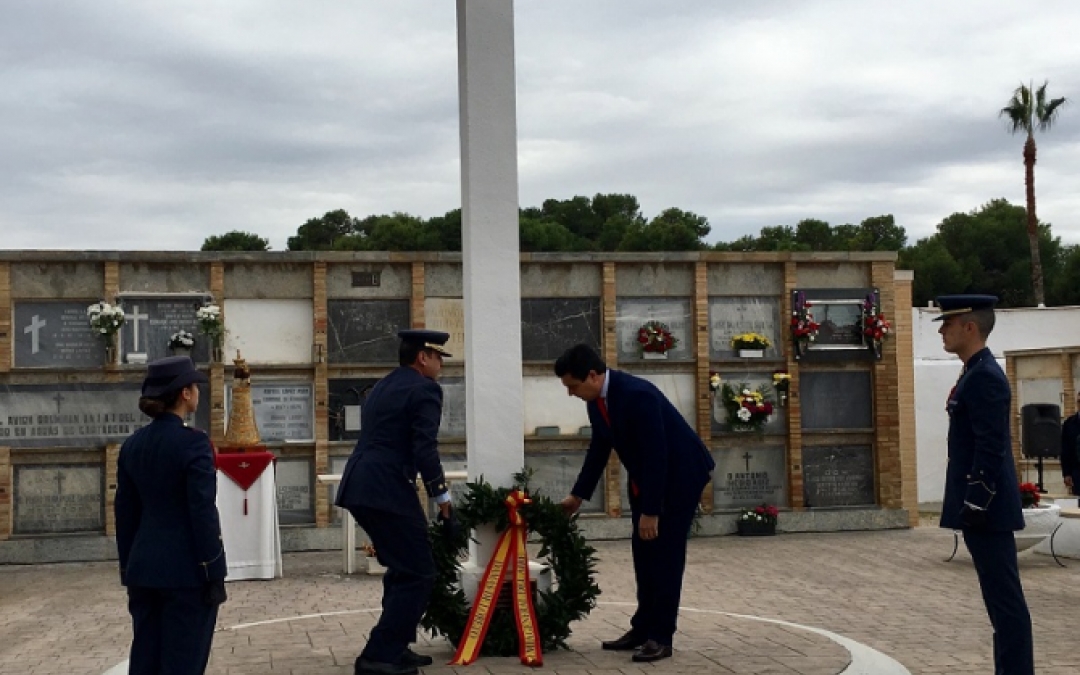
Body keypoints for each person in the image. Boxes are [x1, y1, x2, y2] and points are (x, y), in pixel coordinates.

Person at [553, 343, 714, 663]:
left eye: (573, 386)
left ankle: (661, 637)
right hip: (648, 477)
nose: (571, 394)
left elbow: (657, 454)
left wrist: (651, 511)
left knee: (665, 555)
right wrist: (578, 495)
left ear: (593, 375)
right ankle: (642, 629)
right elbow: (599, 449)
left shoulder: (638, 396)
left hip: (680, 476)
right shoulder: (597, 400)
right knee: (644, 552)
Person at [335, 329, 456, 675]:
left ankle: (396, 645)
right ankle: (379, 655)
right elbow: (424, 448)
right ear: (422, 357)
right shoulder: (425, 389)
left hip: (361, 483)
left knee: (403, 568)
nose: (440, 364)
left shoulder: (384, 385)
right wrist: (443, 500)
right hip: (386, 488)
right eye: (437, 357)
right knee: (419, 571)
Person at [936, 294, 1034, 675]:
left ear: (970, 327)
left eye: (948, 324)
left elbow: (991, 447)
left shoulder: (985, 377)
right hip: (983, 510)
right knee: (999, 604)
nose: (942, 331)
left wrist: (976, 503)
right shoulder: (974, 372)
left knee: (1006, 604)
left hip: (988, 511)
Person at [115, 356, 227, 675]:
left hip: (143, 569)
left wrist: (127, 567)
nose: (198, 392)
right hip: (187, 572)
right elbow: (202, 510)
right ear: (185, 394)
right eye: (195, 386)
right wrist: (213, 569)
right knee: (183, 663)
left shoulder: (132, 445)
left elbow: (125, 513)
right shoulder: (193, 444)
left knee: (146, 661)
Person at [1060, 392, 1080, 496]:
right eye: (1079, 401)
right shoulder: (1069, 424)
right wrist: (1066, 473)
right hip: (1077, 472)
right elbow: (1065, 450)